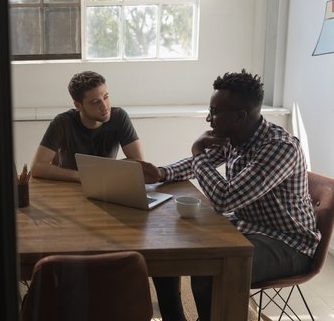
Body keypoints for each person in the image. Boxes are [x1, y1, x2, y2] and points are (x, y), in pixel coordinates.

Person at [139, 69, 321, 320]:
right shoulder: (235, 137)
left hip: (288, 243)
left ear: (240, 116)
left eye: (214, 112)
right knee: (170, 244)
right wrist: (160, 173)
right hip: (245, 228)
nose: (208, 119)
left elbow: (225, 199)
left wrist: (197, 152)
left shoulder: (279, 148)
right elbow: (198, 164)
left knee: (208, 269)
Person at [30, 70, 144, 182]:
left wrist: (99, 174)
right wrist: (82, 176)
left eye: (106, 97)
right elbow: (37, 167)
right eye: (95, 102)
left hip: (105, 185)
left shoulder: (119, 117)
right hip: (69, 187)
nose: (105, 106)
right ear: (78, 105)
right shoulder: (62, 122)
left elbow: (139, 161)